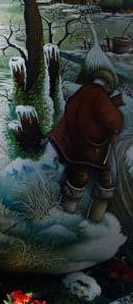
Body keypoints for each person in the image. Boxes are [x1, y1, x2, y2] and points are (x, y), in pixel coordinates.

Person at [51, 68, 124, 222]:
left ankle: (64, 216)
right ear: (108, 86)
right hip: (92, 150)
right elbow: (113, 120)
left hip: (75, 147)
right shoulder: (100, 96)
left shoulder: (82, 92)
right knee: (106, 181)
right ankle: (95, 221)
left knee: (78, 177)